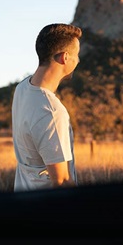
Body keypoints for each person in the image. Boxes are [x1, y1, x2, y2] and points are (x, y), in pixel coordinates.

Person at [12, 23, 82, 191]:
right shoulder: (51, 112)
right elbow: (62, 181)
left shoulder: (22, 89)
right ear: (65, 57)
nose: (78, 60)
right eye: (76, 55)